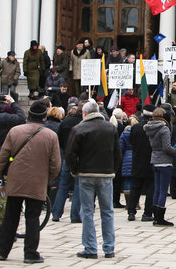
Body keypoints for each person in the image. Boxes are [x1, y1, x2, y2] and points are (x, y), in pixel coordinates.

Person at [0, 101, 61, 264]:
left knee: (10, 216)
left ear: (28, 114)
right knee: (32, 217)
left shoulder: (14, 131)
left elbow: (2, 158)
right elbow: (56, 165)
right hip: (37, 182)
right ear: (45, 116)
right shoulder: (51, 135)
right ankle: (30, 253)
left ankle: (2, 251)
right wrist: (47, 178)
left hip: (15, 181)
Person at [65, 100, 121, 259]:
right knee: (107, 211)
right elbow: (118, 153)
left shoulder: (79, 129)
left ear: (84, 113)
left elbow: (70, 154)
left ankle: (90, 248)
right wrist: (113, 170)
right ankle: (109, 248)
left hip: (86, 174)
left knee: (87, 211)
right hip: (105, 174)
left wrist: (75, 171)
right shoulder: (111, 128)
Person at [144, 107, 176, 226]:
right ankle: (160, 217)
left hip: (154, 159)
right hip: (165, 161)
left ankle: (155, 215)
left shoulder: (150, 127)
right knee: (163, 190)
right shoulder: (164, 129)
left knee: (157, 189)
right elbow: (167, 147)